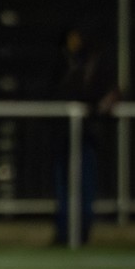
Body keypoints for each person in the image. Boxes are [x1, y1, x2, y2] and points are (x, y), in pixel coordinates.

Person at [50, 24, 119, 245]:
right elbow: (53, 91)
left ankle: (82, 231)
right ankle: (64, 232)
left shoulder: (95, 63)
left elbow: (107, 94)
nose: (74, 42)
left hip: (86, 134)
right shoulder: (62, 62)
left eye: (77, 37)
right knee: (63, 184)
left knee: (84, 183)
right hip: (63, 133)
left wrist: (96, 109)